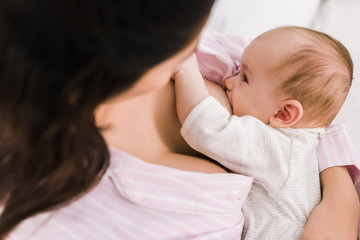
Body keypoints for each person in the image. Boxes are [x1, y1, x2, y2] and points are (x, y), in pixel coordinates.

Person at [0, 1, 358, 239]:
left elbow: (314, 120)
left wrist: (339, 187)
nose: (233, 78)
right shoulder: (172, 215)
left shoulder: (246, 63)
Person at [173, 26, 359, 239]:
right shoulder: (303, 148)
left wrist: (185, 68)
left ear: (284, 113)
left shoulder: (280, 149)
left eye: (244, 78)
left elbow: (206, 127)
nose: (228, 81)